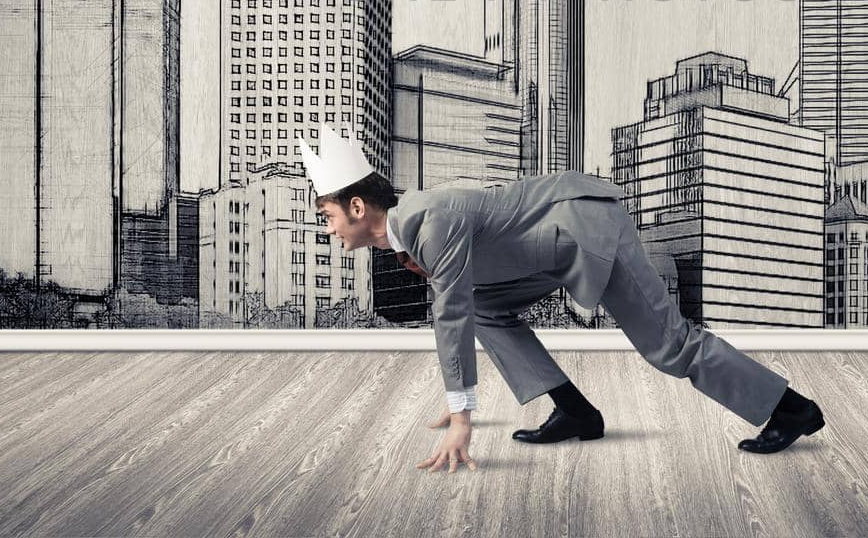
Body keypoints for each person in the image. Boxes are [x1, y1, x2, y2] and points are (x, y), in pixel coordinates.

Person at [306, 127, 825, 474]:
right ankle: (576, 412)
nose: (328, 230)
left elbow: (451, 312)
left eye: (328, 217)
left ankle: (791, 409)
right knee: (488, 310)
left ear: (357, 206)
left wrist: (462, 414)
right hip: (537, 255)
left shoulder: (427, 220)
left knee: (669, 347)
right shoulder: (406, 232)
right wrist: (457, 397)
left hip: (583, 229)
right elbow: (460, 305)